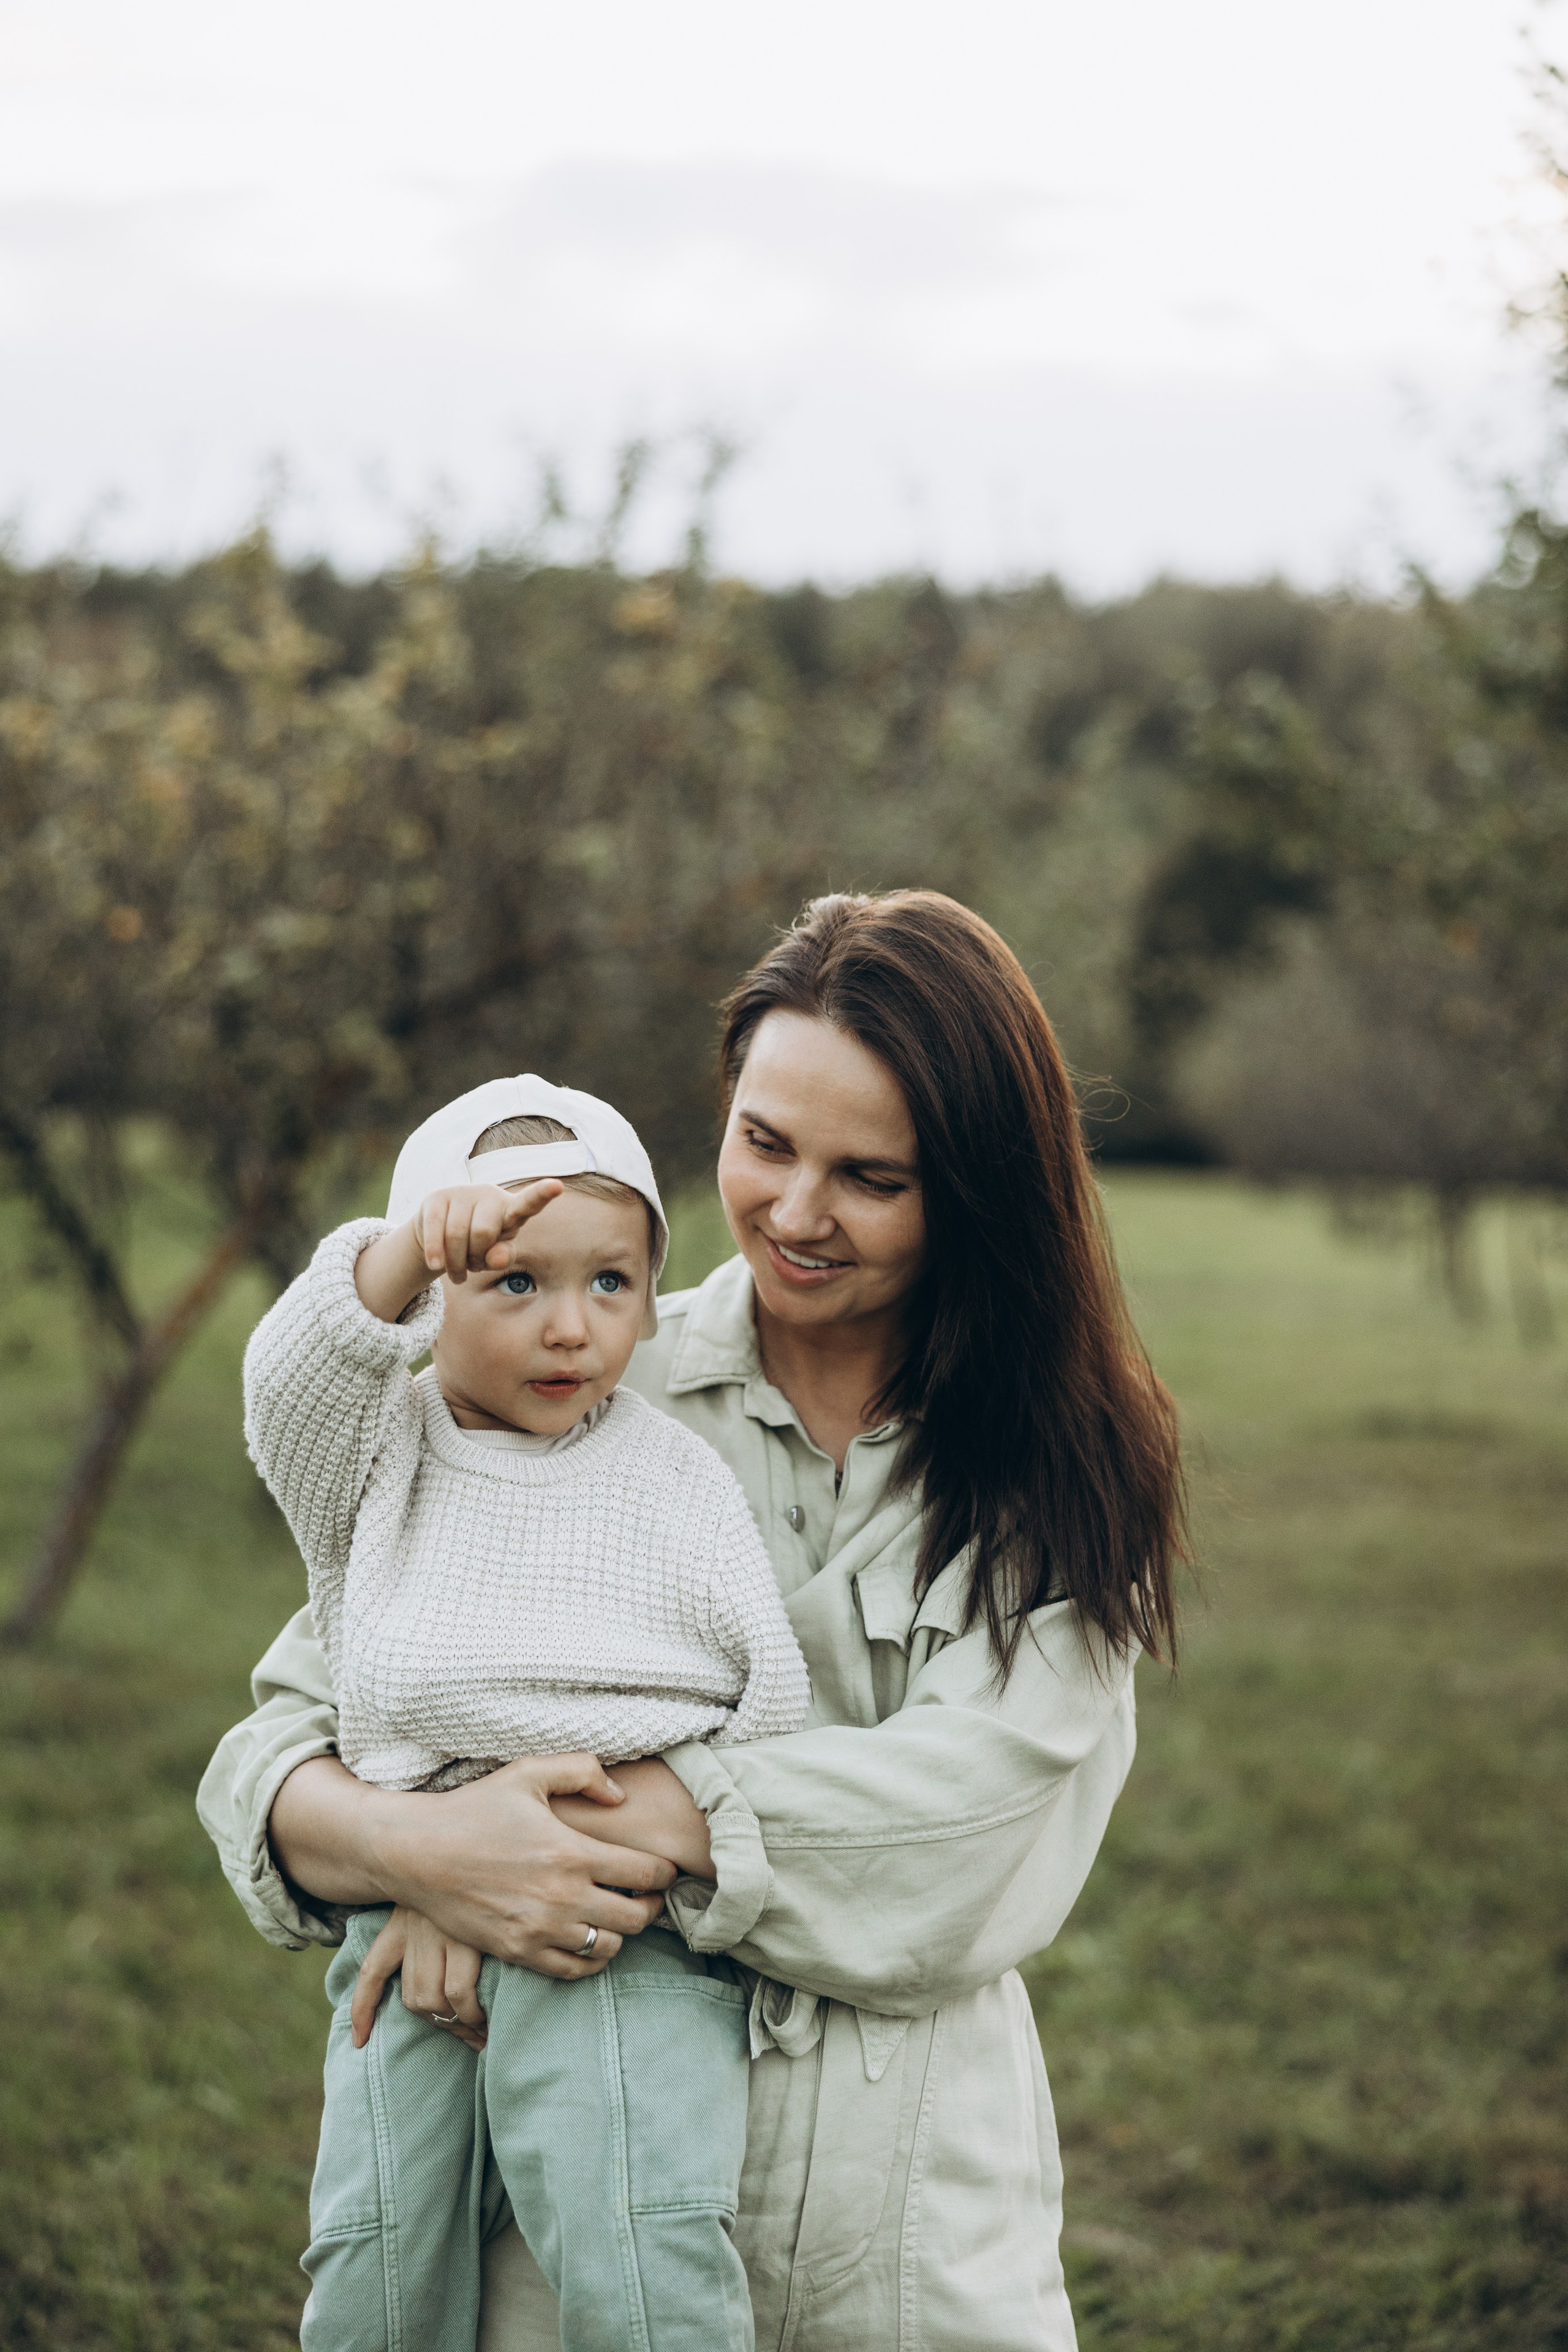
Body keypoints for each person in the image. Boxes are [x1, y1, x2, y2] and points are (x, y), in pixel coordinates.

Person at [200, 889, 1188, 2352]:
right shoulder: (576, 1372)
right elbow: (291, 1739)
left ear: (974, 1190)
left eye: (870, 1177)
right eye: (763, 1143)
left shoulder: (1054, 1465)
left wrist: (581, 1830)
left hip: (909, 2253)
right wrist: (428, 1851)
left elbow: (975, 1827)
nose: (795, 1212)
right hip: (561, 2254)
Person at [240, 1072, 809, 2351]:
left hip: (623, 1928)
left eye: (610, 1283)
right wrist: (393, 1255)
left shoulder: (669, 1472)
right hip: (404, 1931)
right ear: (431, 1296)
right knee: (373, 2259)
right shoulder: (377, 1456)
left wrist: (651, 1863)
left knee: (641, 2246)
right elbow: (286, 1388)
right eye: (513, 1282)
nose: (570, 1329)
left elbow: (761, 1694)